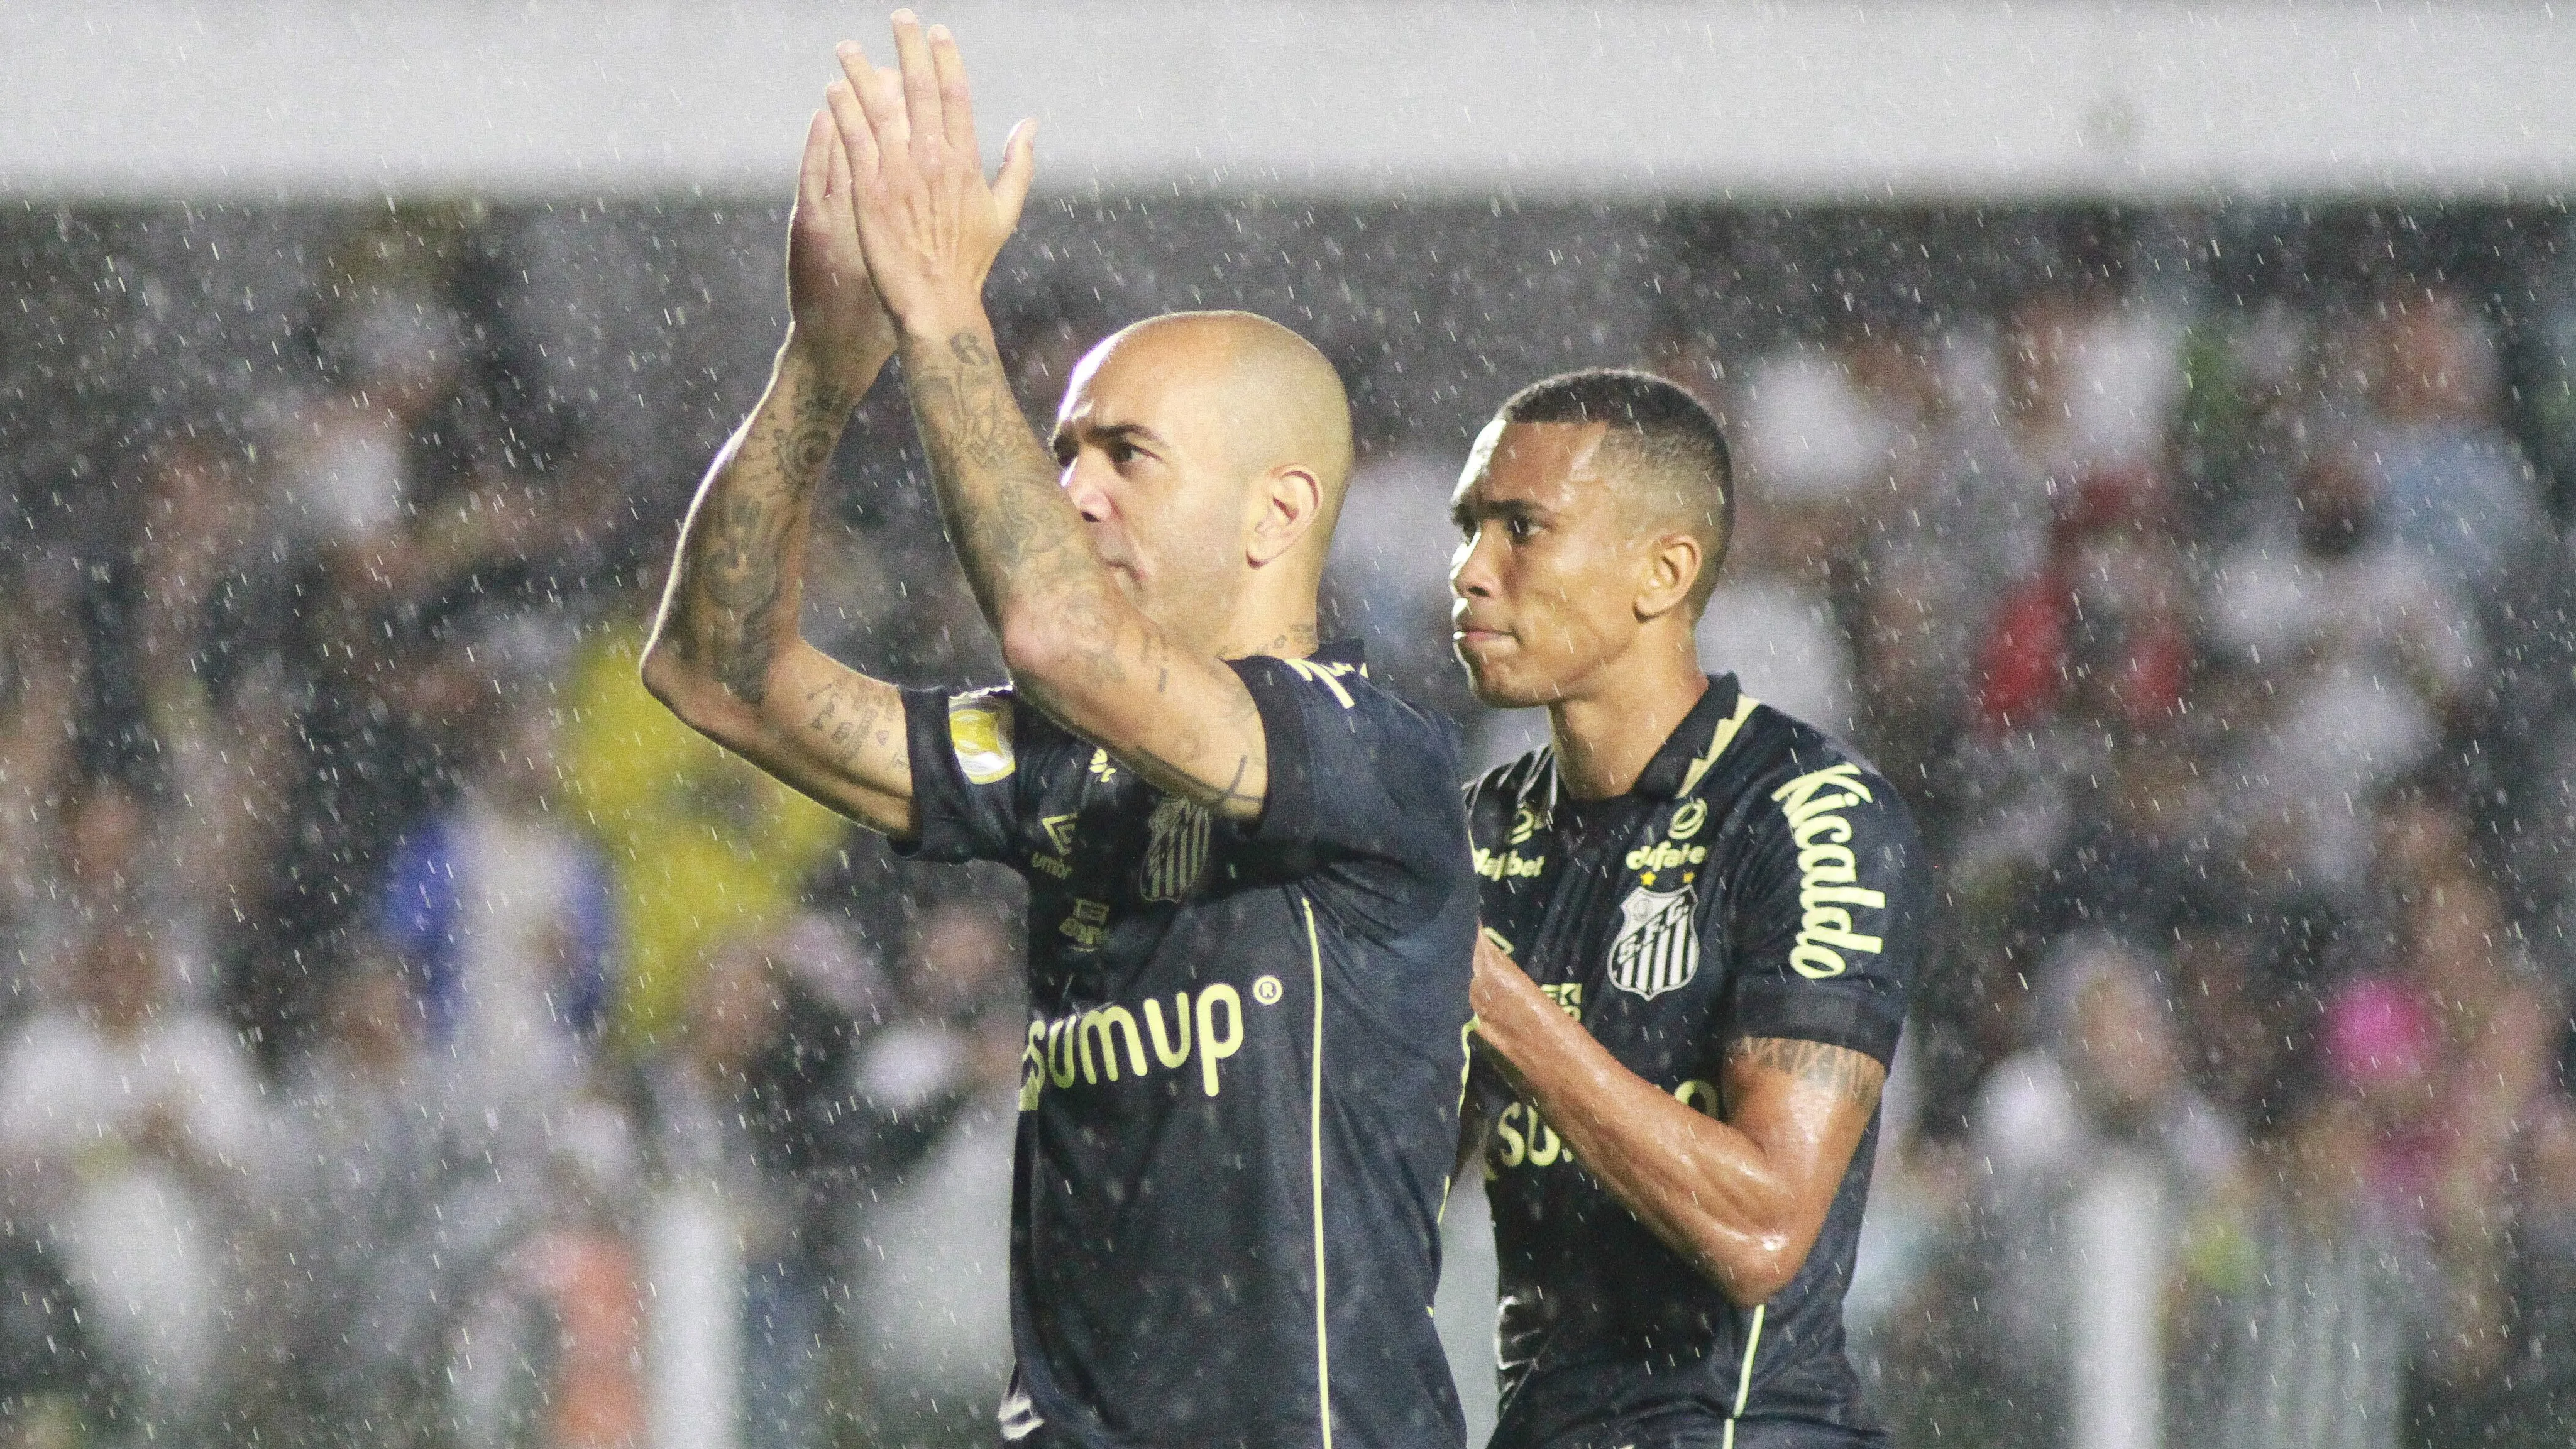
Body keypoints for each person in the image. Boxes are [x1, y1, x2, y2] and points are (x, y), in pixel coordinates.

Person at [638, 15, 1477, 1448]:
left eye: (1124, 456)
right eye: (1066, 450)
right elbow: (718, 676)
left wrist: (944, 311)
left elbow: (1058, 638)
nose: (1075, 489)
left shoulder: (1366, 754)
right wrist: (826, 360)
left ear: (1278, 514)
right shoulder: (1061, 764)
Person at [1449, 368, 1928, 1449]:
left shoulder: (1806, 816)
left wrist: (1489, 998)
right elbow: (1374, 1199)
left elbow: (1762, 1229)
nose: (1471, 572)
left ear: (1662, 572)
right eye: (1467, 526)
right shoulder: (1474, 833)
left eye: (1520, 527)